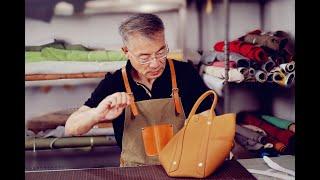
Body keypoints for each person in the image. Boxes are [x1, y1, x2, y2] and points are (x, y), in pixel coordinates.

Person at [65, 13, 213, 167]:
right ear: (126, 52)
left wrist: (200, 125)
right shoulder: (114, 82)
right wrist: (97, 114)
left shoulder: (185, 73)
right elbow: (71, 128)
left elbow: (208, 116)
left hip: (183, 168)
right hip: (134, 172)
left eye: (161, 51)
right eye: (144, 57)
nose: (155, 63)